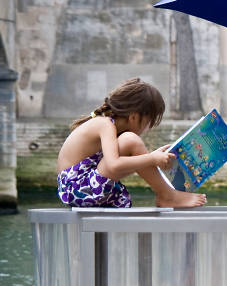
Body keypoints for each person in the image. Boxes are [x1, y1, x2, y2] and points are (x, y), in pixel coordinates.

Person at [56, 77, 207, 209]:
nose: (147, 129)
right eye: (148, 123)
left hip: (84, 187)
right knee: (131, 140)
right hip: (76, 188)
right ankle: (166, 195)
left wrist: (153, 159)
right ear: (134, 117)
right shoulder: (104, 124)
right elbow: (114, 165)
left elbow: (122, 165)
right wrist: (152, 158)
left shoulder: (110, 128)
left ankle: (167, 194)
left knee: (132, 145)